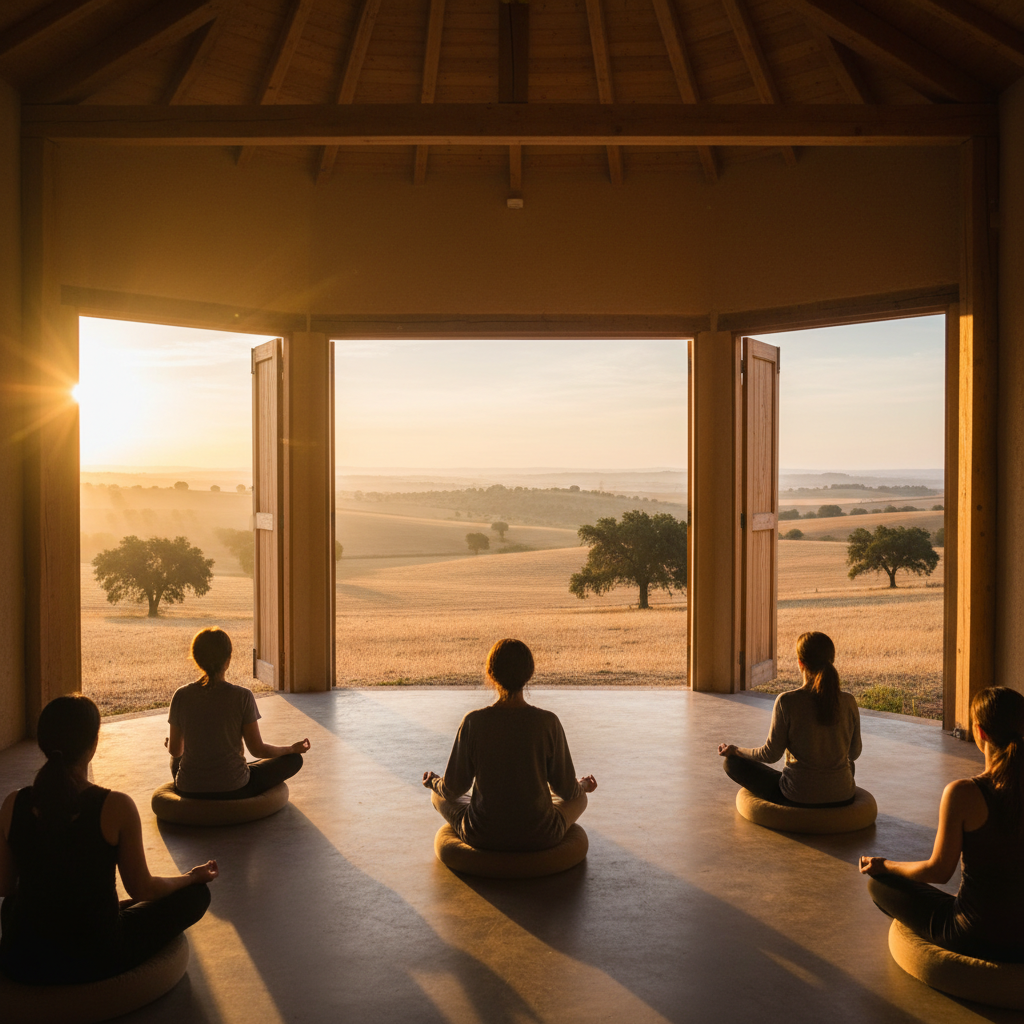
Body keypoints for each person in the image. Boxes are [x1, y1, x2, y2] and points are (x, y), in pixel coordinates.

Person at [0, 695, 216, 985]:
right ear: (92, 745)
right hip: (97, 955)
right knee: (197, 895)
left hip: (21, 957)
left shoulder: (14, 802)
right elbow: (142, 888)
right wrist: (190, 877)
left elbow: (4, 886)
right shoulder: (115, 806)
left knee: (12, 907)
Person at [860, 685, 1024, 963]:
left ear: (979, 732)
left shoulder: (964, 793)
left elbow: (938, 871)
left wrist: (885, 865)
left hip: (975, 933)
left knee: (879, 884)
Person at [422, 638, 597, 852]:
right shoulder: (548, 722)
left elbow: (452, 790)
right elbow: (567, 791)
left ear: (490, 673)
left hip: (482, 833)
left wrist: (433, 782)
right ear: (529, 674)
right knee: (580, 799)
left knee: (437, 795)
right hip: (542, 834)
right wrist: (582, 786)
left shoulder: (473, 722)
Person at [717, 630, 862, 807]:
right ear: (831, 661)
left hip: (798, 795)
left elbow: (770, 754)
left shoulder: (787, 701)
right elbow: (854, 754)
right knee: (848, 766)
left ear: (800, 663)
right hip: (843, 795)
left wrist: (736, 750)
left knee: (732, 764)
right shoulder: (849, 701)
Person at [167, 627, 309, 799]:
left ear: (197, 660)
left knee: (176, 760)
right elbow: (258, 750)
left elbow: (175, 751)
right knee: (294, 759)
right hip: (234, 787)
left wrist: (171, 744)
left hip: (188, 787)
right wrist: (291, 748)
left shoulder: (181, 695)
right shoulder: (242, 696)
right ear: (228, 660)